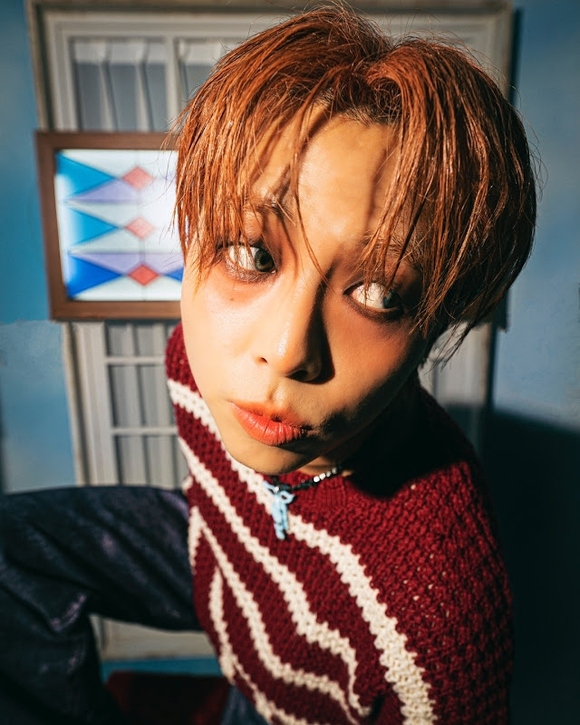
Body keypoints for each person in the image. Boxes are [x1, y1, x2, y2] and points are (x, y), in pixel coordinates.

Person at [0, 4, 536, 724]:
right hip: (225, 562)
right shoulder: (193, 363)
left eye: (380, 293)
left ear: (436, 321)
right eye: (251, 254)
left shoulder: (440, 613)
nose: (286, 351)